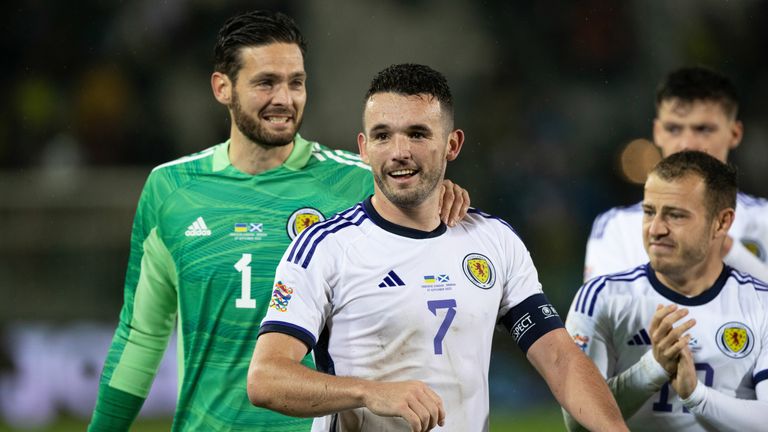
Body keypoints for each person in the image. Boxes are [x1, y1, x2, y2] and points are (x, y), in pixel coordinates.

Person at [87, 11, 469, 431]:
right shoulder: (170, 191)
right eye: (266, 82)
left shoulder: (357, 183)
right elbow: (141, 335)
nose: (284, 98)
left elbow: (430, 220)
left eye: (296, 82)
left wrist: (447, 193)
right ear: (222, 87)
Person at [247, 63, 628, 432]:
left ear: (452, 144)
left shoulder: (494, 240)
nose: (399, 151)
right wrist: (367, 392)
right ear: (363, 148)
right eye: (382, 136)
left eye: (417, 134)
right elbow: (266, 379)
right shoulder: (325, 249)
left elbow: (559, 358)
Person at [565, 150, 768, 431]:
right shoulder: (601, 298)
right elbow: (577, 422)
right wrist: (652, 368)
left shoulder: (761, 304)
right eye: (649, 212)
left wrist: (696, 396)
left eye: (675, 216)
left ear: (721, 222)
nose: (656, 229)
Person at [584, 66, 768, 282]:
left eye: (703, 129)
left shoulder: (764, 221)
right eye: (674, 129)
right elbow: (602, 312)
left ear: (735, 133)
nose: (687, 143)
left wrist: (728, 250)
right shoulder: (618, 228)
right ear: (657, 132)